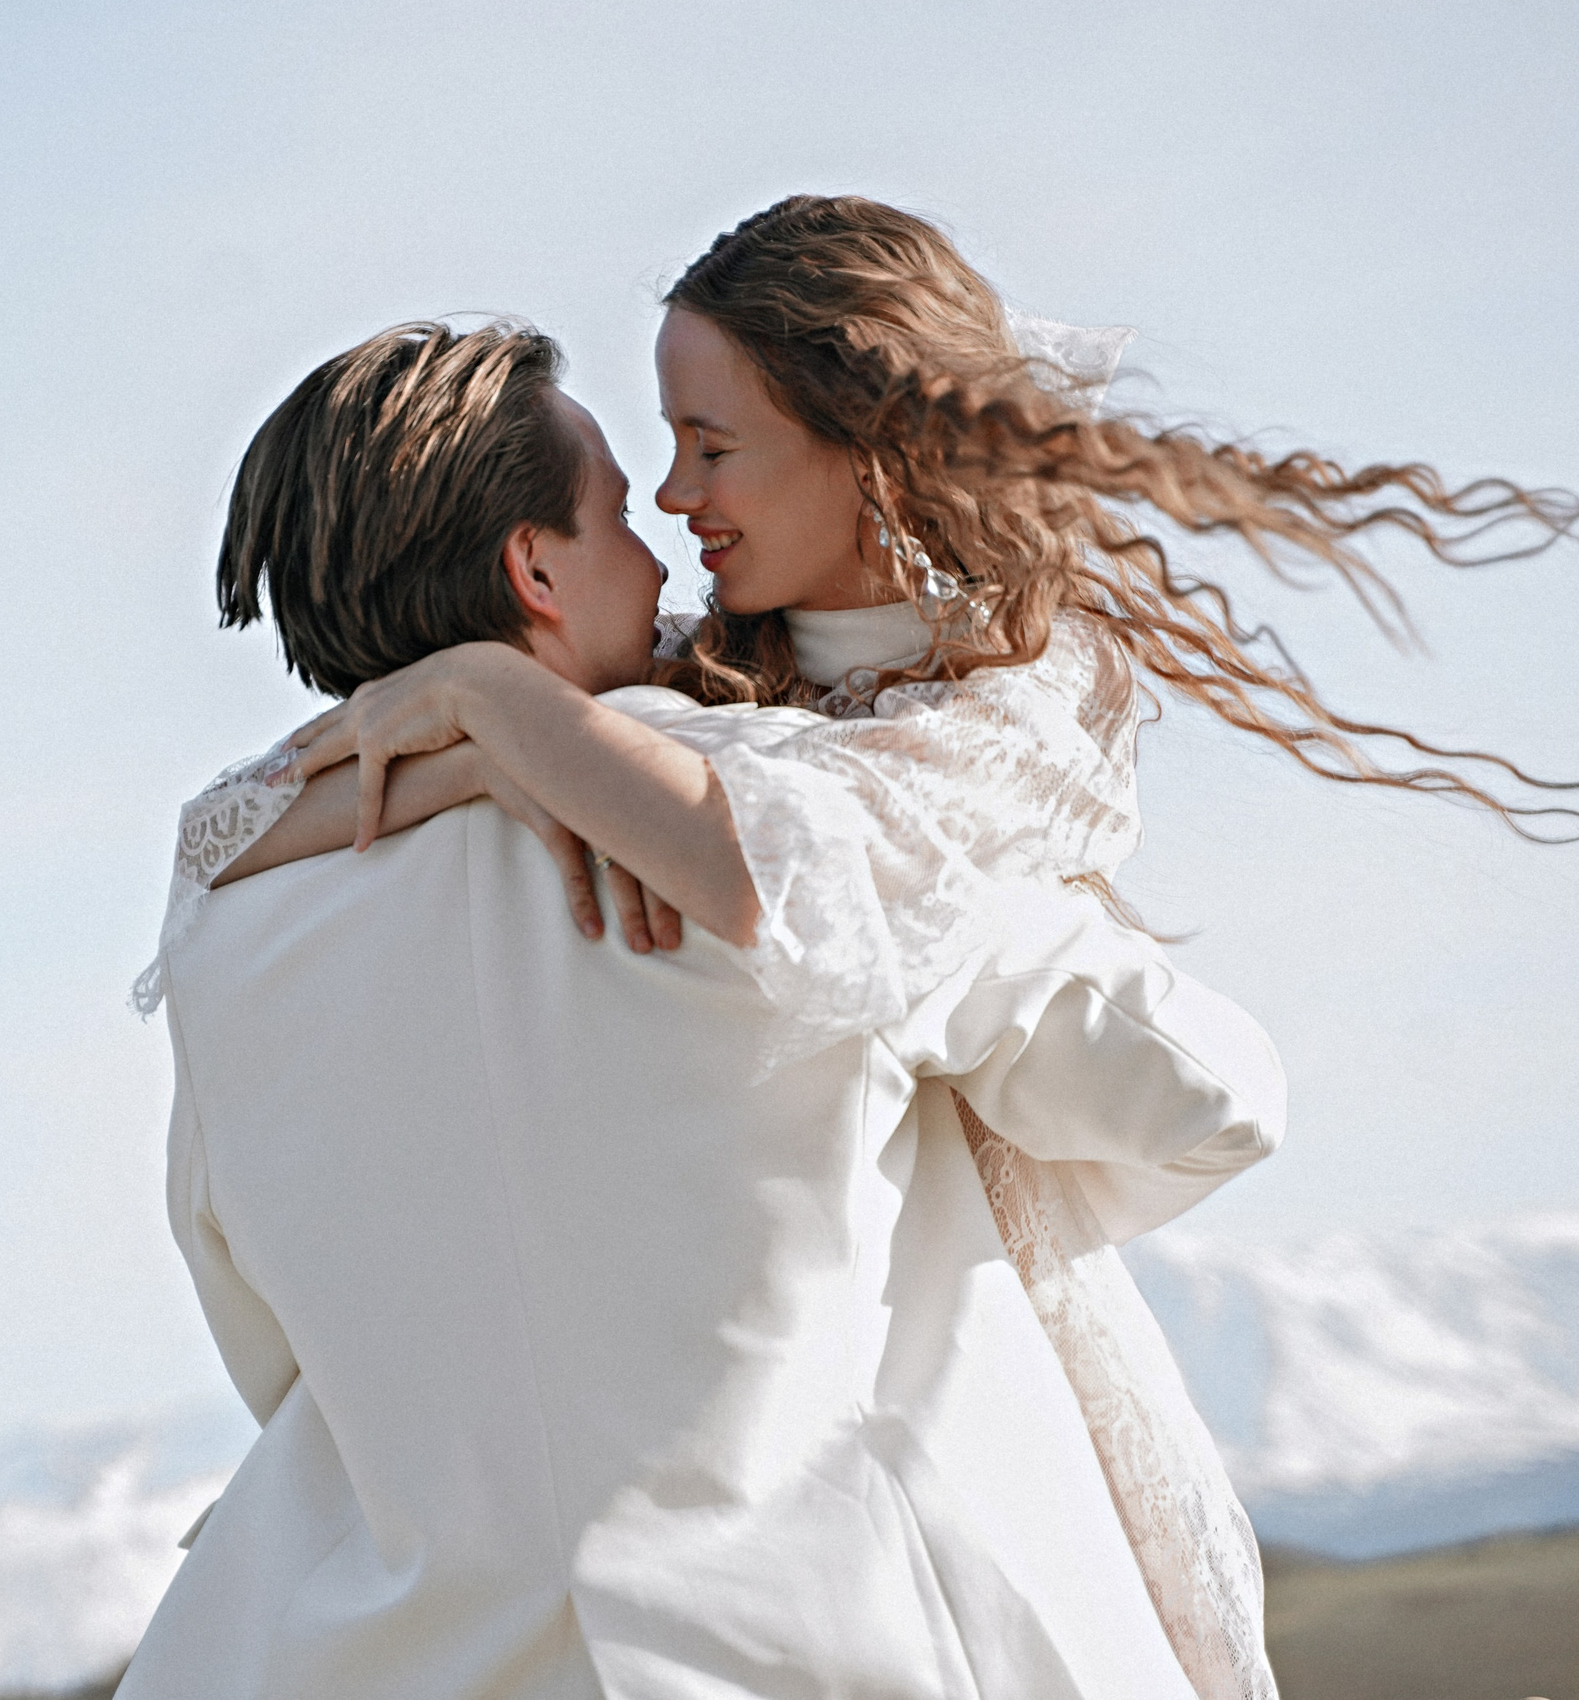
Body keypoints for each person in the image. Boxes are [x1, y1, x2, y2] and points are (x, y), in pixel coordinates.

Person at [120, 317, 1289, 1700]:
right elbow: (1202, 1100)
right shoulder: (772, 817)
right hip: (833, 1642)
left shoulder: (234, 932)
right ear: (534, 569)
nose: (663, 552)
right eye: (618, 512)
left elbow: (272, 1331)